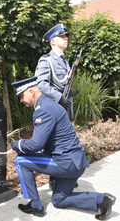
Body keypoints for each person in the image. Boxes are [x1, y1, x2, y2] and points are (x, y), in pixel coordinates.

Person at [10, 76, 116, 220]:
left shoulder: (42, 110)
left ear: (32, 92)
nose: (22, 101)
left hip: (65, 162)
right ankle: (102, 200)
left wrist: (17, 144)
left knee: (20, 161)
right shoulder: (50, 104)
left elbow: (36, 145)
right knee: (58, 200)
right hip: (76, 163)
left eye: (22, 96)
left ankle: (35, 205)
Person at [35, 23, 78, 190]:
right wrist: (60, 98)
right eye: (62, 36)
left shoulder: (65, 61)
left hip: (66, 110)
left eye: (66, 36)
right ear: (53, 41)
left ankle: (66, 177)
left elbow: (64, 84)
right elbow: (42, 84)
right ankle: (55, 180)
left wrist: (71, 94)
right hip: (55, 109)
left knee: (66, 145)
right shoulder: (46, 60)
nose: (66, 38)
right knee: (55, 146)